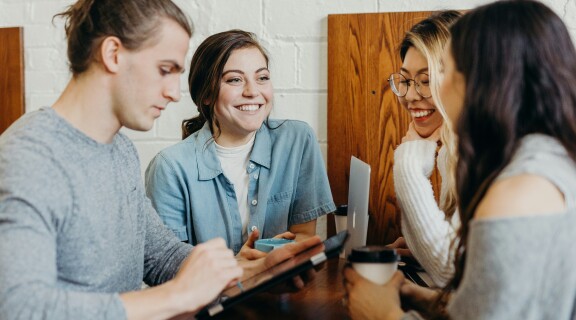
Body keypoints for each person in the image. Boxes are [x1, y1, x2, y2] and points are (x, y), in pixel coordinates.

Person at [0, 1, 320, 319]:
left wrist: (254, 274)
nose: (173, 93)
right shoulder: (28, 158)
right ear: (113, 54)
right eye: (165, 70)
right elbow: (19, 307)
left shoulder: (120, 150)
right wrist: (176, 296)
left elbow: (161, 257)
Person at [344, 0, 576, 319]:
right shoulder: (542, 160)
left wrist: (382, 314)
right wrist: (427, 300)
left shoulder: (519, 190)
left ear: (485, 80)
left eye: (445, 70)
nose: (438, 85)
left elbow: (454, 272)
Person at [145, 29, 336, 255]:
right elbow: (168, 266)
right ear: (206, 94)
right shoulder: (169, 168)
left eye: (262, 78)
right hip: (211, 291)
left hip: (282, 287)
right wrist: (243, 269)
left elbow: (304, 236)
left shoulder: (297, 140)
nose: (252, 91)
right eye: (235, 79)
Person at [388, 10, 461, 287]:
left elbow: (449, 272)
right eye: (405, 81)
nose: (409, 96)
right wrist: (420, 248)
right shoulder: (451, 151)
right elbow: (456, 263)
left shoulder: (483, 153)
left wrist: (408, 162)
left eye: (426, 80)